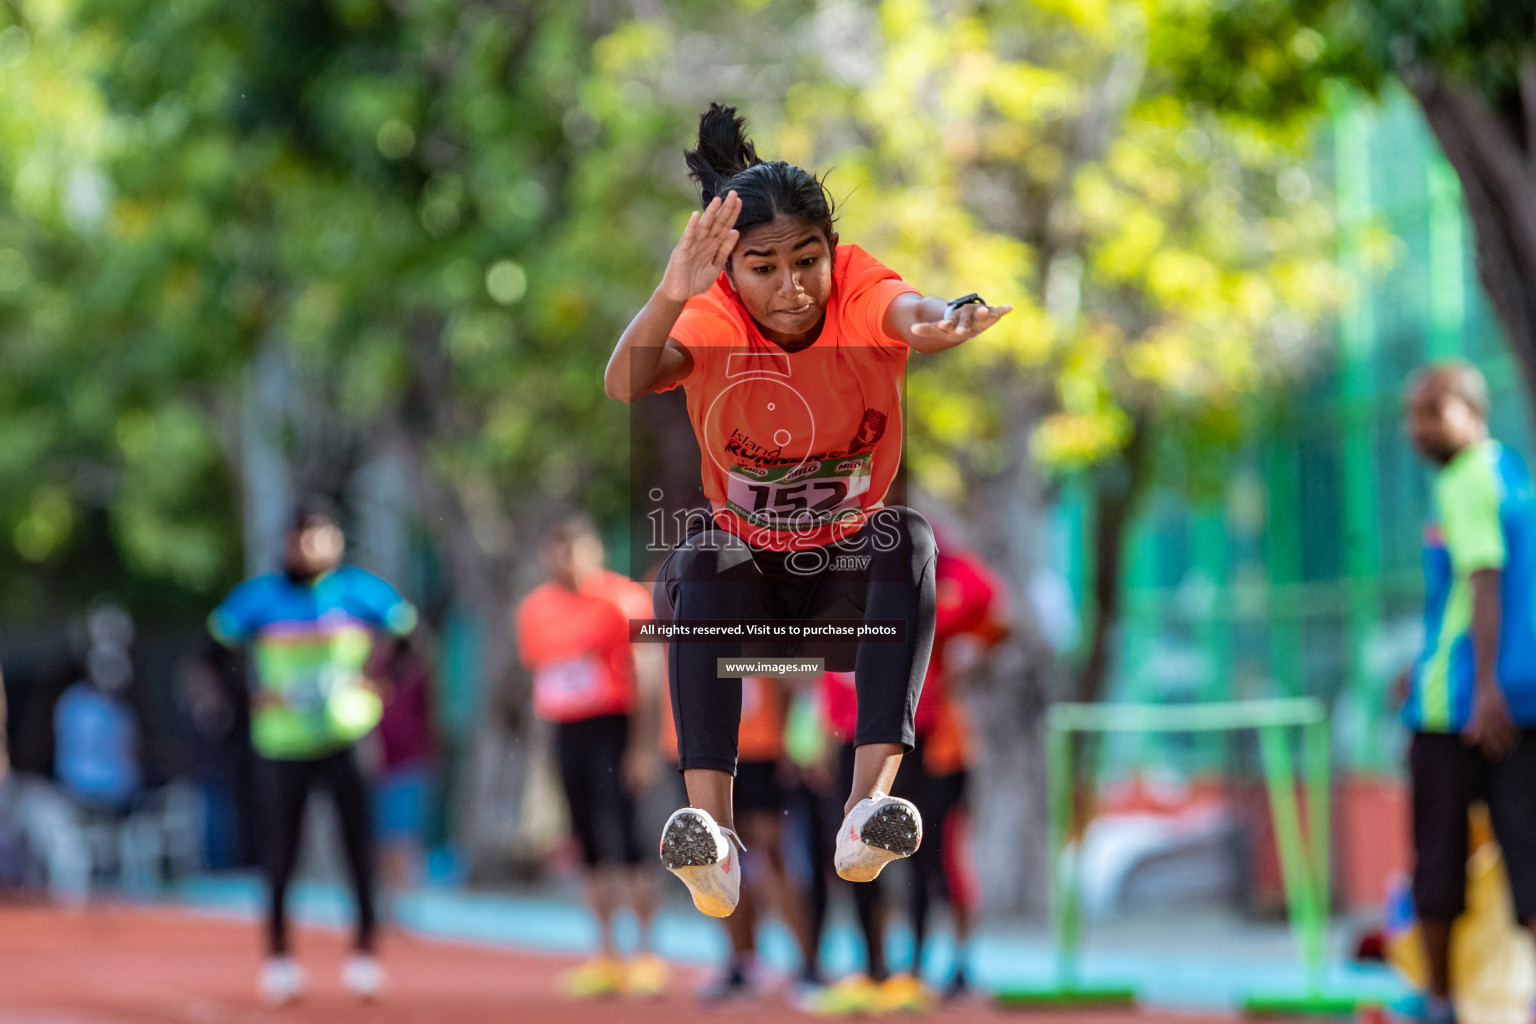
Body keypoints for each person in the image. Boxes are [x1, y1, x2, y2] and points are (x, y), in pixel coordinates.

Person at [605, 102, 1011, 919]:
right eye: (764, 267)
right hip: (744, 604)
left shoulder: (858, 290)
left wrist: (945, 320)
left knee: (907, 537)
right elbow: (624, 381)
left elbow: (912, 313)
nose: (791, 287)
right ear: (731, 272)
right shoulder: (713, 317)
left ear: (833, 252)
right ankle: (710, 835)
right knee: (703, 546)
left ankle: (868, 812)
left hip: (847, 602)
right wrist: (667, 291)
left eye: (807, 260)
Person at [207, 500, 418, 1005]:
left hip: (349, 739)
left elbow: (412, 639)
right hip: (282, 745)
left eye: (321, 536)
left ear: (337, 541)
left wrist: (379, 679)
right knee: (280, 853)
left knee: (358, 851)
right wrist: (248, 697)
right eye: (302, 537)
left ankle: (365, 958)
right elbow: (211, 653)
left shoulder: (359, 592)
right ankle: (279, 961)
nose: (311, 547)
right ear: (287, 543)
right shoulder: (259, 598)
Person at [1396, 362, 1536, 1024]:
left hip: (1458, 708)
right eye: (1411, 415)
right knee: (1525, 853)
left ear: (1467, 410)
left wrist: (1481, 687)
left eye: (1429, 413)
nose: (1416, 430)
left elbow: (1483, 578)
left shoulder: (1465, 479)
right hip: (1514, 698)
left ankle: (1440, 1003)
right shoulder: (1511, 470)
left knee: (1439, 860)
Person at [514, 516, 667, 998]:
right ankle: (606, 955)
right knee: (589, 845)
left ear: (594, 552)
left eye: (575, 550)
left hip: (615, 727)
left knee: (629, 840)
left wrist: (643, 748)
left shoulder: (625, 599)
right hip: (566, 732)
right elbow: (542, 679)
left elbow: (648, 674)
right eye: (557, 550)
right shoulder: (534, 609)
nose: (566, 560)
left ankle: (646, 955)